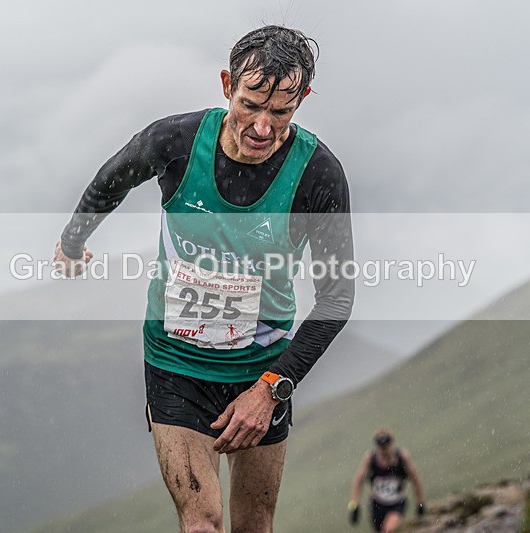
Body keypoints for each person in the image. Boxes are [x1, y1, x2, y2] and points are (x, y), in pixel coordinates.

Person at [53, 25, 354, 533]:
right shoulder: (176, 140)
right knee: (201, 522)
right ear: (226, 85)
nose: (262, 126)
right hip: (176, 363)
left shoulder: (317, 173)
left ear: (302, 99)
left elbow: (337, 297)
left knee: (253, 527)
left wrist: (271, 389)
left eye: (281, 112)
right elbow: (110, 180)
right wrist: (72, 240)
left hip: (262, 367)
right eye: (250, 103)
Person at [348, 428, 425, 532]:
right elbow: (358, 481)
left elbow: (416, 480)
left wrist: (420, 504)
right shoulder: (371, 458)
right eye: (380, 446)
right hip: (377, 505)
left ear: (392, 443)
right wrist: (354, 505)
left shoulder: (402, 457)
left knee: (388, 530)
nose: (384, 449)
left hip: (396, 503)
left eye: (386, 445)